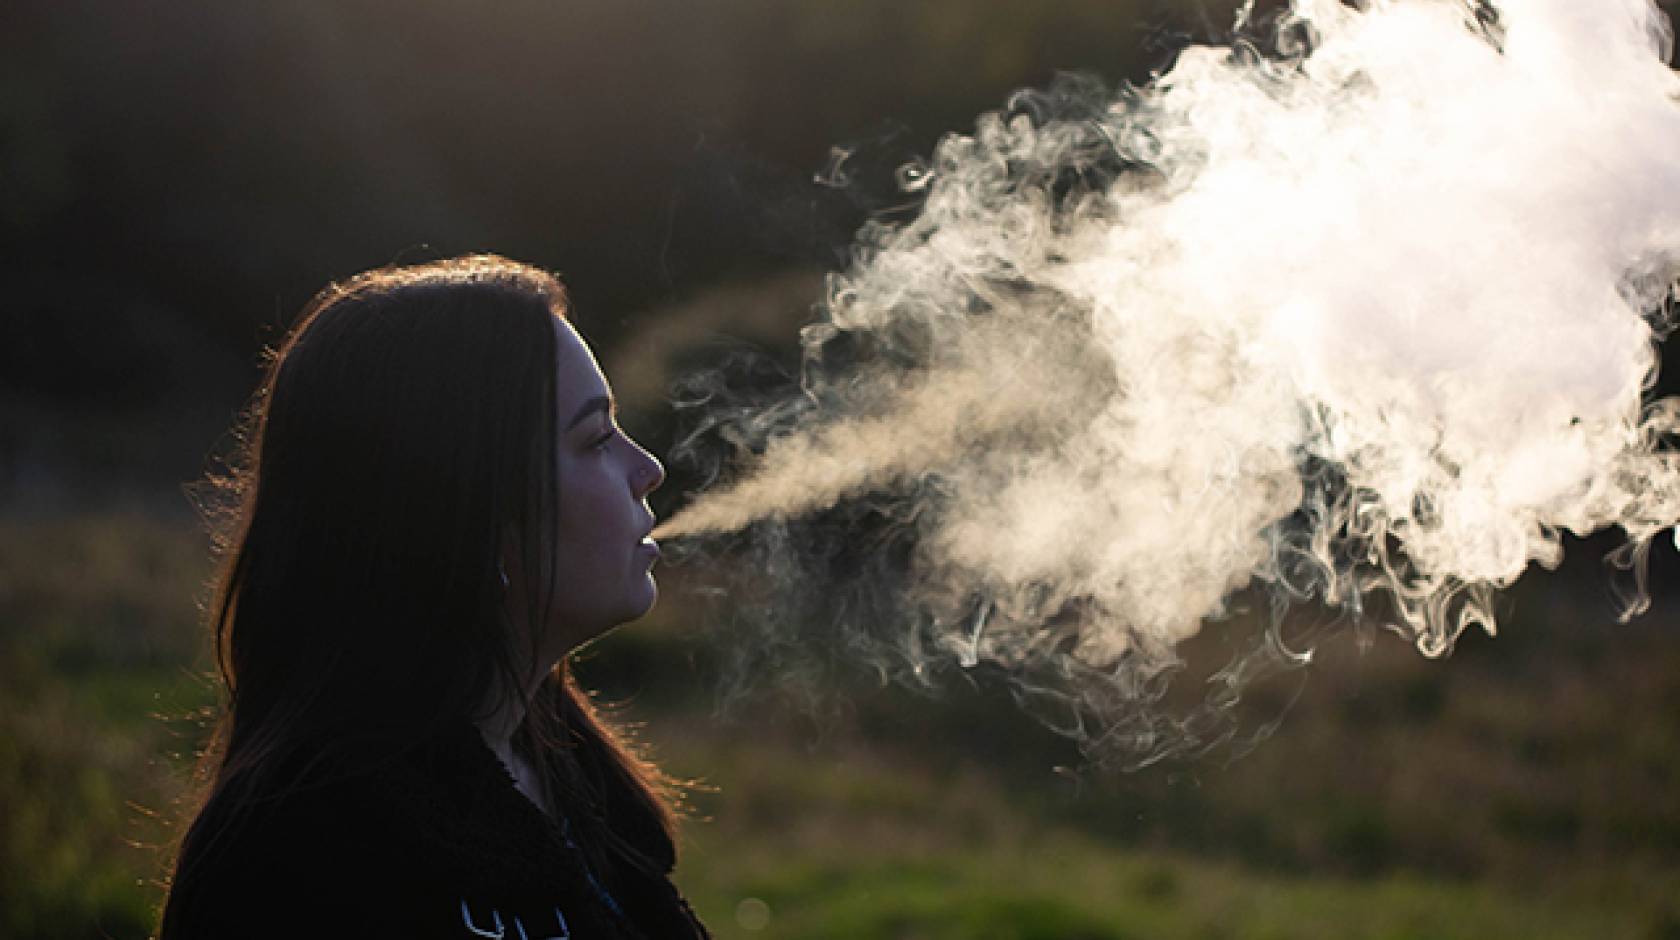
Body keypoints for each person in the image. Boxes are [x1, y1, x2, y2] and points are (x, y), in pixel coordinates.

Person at [156, 255, 710, 938]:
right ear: (470, 515)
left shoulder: (576, 787)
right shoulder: (298, 860)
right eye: (596, 438)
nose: (648, 470)